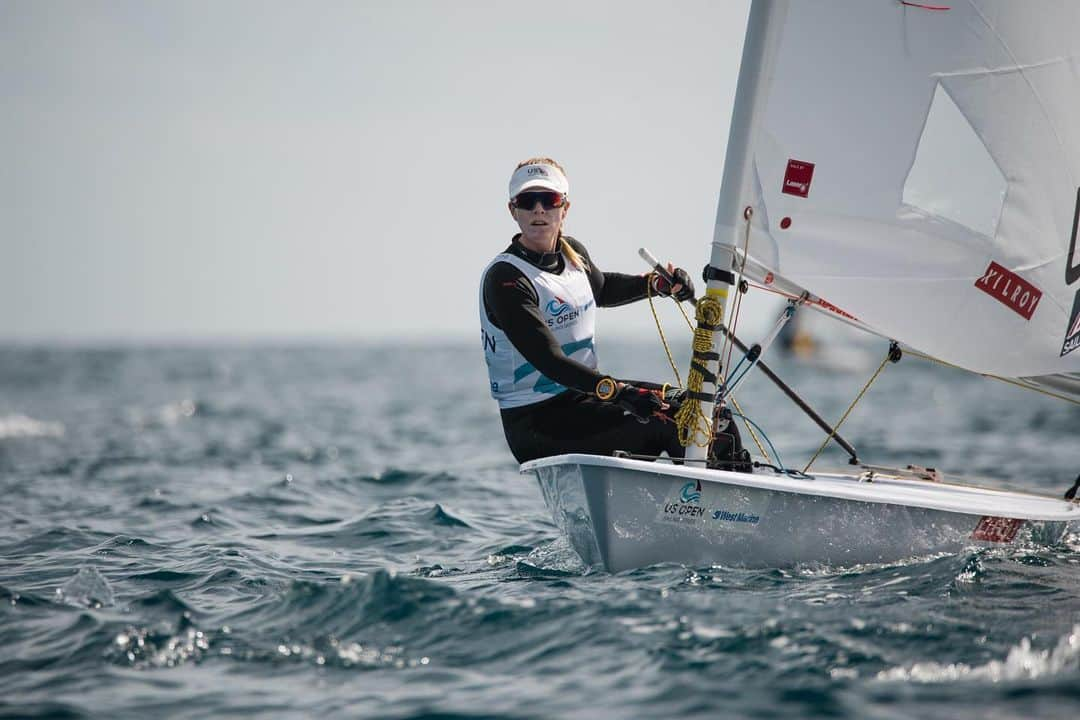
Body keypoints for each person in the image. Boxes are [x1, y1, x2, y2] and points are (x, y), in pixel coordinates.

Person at [479, 157, 696, 464]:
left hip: (584, 400)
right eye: (528, 201)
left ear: (564, 208)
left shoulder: (573, 253)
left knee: (701, 410)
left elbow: (602, 289)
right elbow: (548, 360)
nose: (539, 209)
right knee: (668, 422)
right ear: (513, 210)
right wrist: (619, 393)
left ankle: (740, 498)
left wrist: (656, 285)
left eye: (549, 200)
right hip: (535, 423)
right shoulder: (506, 279)